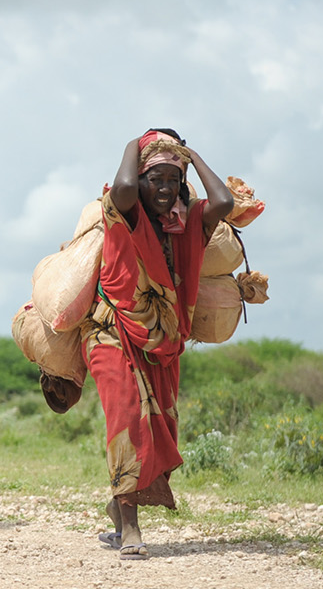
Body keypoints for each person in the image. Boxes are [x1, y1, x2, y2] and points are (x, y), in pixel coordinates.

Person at [86, 129, 232, 560]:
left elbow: (223, 202)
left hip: (163, 342)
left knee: (160, 429)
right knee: (128, 419)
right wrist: (137, 143)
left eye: (173, 179)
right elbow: (126, 185)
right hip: (111, 331)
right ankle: (130, 529)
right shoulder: (122, 213)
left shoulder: (188, 226)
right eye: (156, 178)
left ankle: (119, 505)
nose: (164, 188)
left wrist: (188, 155)